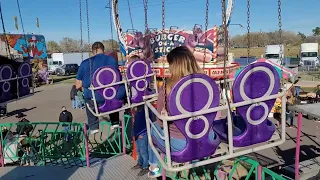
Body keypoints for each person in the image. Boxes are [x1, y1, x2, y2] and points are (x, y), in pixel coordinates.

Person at [147, 46, 217, 178]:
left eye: (170, 64)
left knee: (154, 127)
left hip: (182, 145)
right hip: (208, 138)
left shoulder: (168, 88)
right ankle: (196, 160)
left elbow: (161, 123)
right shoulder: (206, 83)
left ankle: (153, 167)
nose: (169, 68)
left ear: (175, 65)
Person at [75, 42, 125, 135]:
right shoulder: (112, 60)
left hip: (96, 98)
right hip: (115, 94)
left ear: (93, 51)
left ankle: (94, 126)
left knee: (87, 96)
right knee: (111, 92)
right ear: (104, 50)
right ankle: (115, 121)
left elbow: (77, 85)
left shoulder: (86, 63)